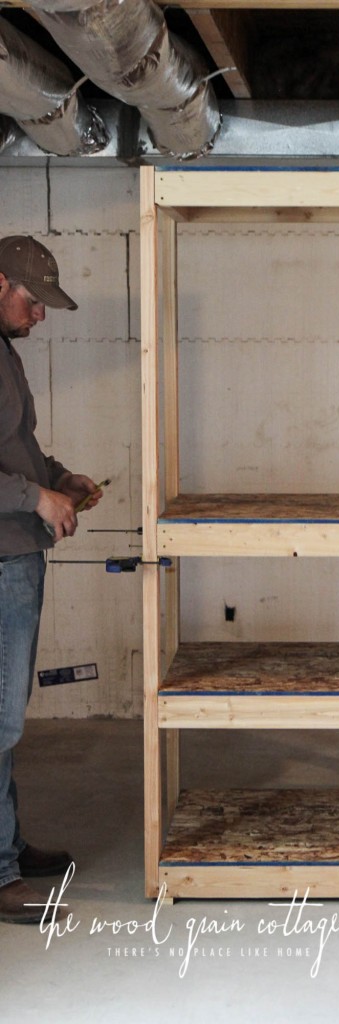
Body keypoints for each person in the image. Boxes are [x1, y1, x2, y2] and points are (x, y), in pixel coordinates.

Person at [0, 235, 103, 924]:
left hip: (14, 558)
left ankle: (5, 846)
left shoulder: (2, 353)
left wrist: (57, 477)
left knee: (5, 723)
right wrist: (35, 499)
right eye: (33, 303)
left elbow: (17, 448)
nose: (41, 317)